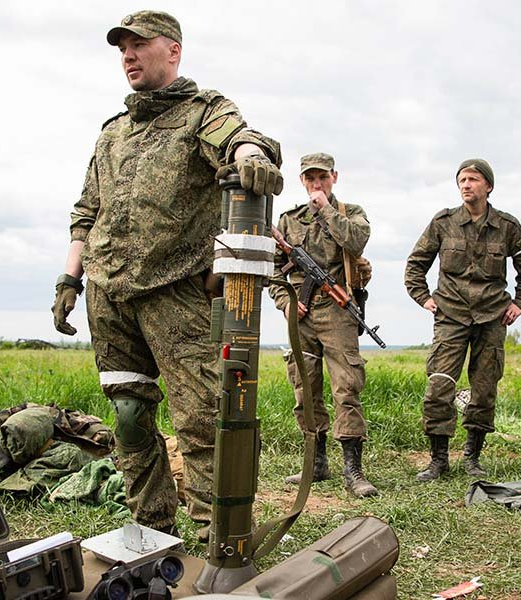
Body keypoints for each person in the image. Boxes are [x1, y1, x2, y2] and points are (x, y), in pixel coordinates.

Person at [51, 10, 282, 538]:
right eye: (122, 49)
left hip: (174, 293)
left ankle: (213, 537)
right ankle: (152, 528)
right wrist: (69, 279)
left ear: (173, 50)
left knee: (202, 422)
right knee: (130, 418)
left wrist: (251, 155)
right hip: (108, 295)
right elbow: (87, 211)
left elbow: (241, 140)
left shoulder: (204, 111)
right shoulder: (112, 133)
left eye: (139, 45)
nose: (128, 56)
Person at [404, 158, 521, 481]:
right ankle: (438, 460)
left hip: (492, 317)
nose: (466, 185)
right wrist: (424, 298)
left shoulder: (507, 226)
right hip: (450, 315)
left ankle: (472, 457)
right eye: (462, 179)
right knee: (439, 385)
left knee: (484, 388)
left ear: (488, 186)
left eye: (473, 179)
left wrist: (519, 303)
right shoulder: (443, 222)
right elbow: (414, 266)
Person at [268, 153, 378, 498]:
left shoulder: (351, 214)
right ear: (302, 181)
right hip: (300, 313)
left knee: (346, 386)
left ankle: (353, 469)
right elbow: (272, 268)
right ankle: (315, 464)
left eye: (322, 178)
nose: (316, 184)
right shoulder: (288, 220)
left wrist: (325, 209)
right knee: (305, 387)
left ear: (334, 177)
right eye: (310, 179)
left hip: (337, 310)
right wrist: (287, 303)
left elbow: (356, 242)